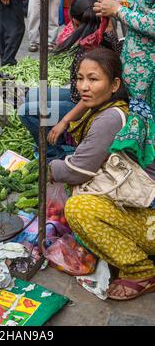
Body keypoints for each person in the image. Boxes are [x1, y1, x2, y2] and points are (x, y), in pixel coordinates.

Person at [50, 48, 155, 301]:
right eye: (80, 78)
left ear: (114, 84)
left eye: (93, 79)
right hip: (143, 204)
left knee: (79, 208)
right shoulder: (116, 106)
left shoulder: (110, 118)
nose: (84, 86)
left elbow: (78, 171)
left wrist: (50, 169)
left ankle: (141, 270)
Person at [19, 0, 121, 160]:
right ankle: (54, 137)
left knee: (26, 111)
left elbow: (89, 97)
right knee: (33, 94)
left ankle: (53, 155)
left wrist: (64, 121)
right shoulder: (104, 33)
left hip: (89, 103)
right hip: (77, 95)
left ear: (74, 22)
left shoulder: (92, 48)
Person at [93, 0, 155, 169]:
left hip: (148, 69)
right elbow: (146, 7)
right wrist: (119, 6)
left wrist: (119, 11)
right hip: (137, 62)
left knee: (143, 131)